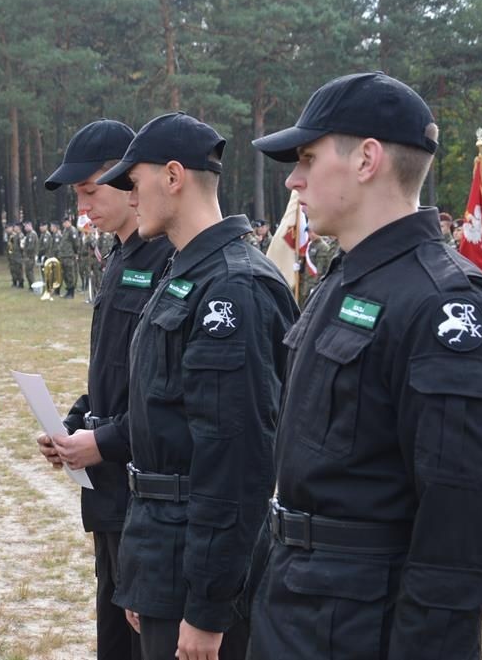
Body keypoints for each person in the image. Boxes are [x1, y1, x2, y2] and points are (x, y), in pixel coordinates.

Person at [250, 71, 482, 659]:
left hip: (359, 625)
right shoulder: (346, 278)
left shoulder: (444, 304)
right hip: (296, 598)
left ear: (367, 158)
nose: (294, 179)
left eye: (306, 156)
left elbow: (460, 521)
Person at [95, 112, 297, 660]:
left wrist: (208, 607)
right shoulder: (185, 274)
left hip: (198, 566)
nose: (129, 199)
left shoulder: (234, 286)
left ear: (174, 177)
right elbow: (162, 426)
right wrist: (141, 572)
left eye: (133, 183)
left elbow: (236, 460)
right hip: (163, 553)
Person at [37, 118, 175, 660]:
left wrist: (107, 439)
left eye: (90, 191)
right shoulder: (121, 255)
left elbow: (171, 393)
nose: (82, 207)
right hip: (110, 489)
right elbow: (114, 370)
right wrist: (73, 421)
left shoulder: (170, 259)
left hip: (146, 487)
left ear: (127, 177)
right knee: (115, 638)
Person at [57, 215, 79, 298]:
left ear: (69, 222)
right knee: (65, 274)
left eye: (65, 222)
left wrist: (75, 253)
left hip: (69, 256)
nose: (64, 224)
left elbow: (76, 243)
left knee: (70, 274)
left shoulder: (72, 230)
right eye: (63, 223)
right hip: (63, 256)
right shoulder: (65, 230)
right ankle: (68, 290)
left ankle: (71, 292)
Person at [22, 220, 39, 287]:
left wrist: (24, 249)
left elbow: (31, 247)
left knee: (29, 271)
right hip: (28, 256)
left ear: (29, 226)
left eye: (26, 226)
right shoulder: (28, 234)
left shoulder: (32, 234)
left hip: (30, 256)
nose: (25, 228)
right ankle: (31, 285)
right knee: (27, 271)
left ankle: (32, 285)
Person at [7, 222, 24, 288]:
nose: (14, 228)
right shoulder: (13, 236)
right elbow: (10, 246)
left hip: (18, 256)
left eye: (16, 227)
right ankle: (15, 281)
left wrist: (22, 255)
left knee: (19, 270)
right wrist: (10, 253)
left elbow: (22, 247)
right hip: (13, 256)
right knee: (13, 269)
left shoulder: (21, 236)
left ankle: (21, 282)